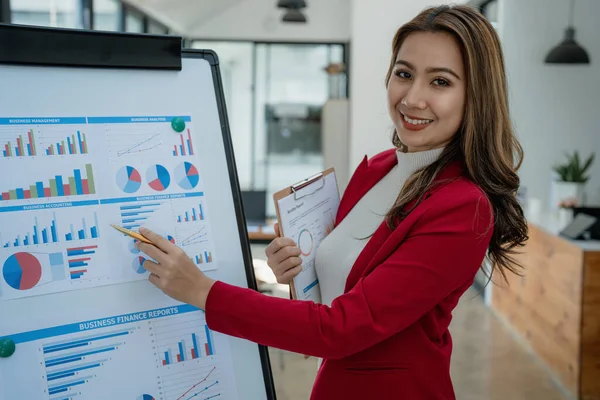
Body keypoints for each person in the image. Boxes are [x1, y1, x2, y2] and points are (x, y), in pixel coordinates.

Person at [135, 4, 528, 399]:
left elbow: (339, 328)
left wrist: (202, 290)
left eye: (440, 82)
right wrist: (298, 269)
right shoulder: (377, 169)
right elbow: (343, 286)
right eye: (404, 74)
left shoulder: (463, 206)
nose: (412, 98)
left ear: (475, 94)